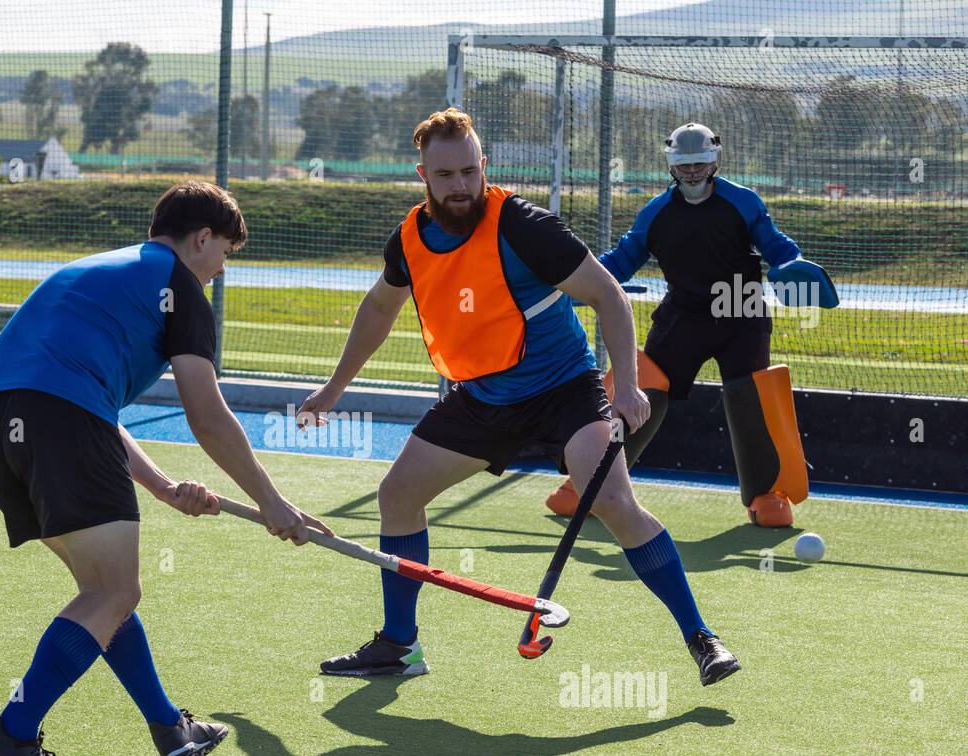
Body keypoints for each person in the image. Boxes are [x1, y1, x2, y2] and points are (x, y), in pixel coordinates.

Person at [297, 109, 739, 688]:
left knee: (610, 500)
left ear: (485, 167)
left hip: (564, 391)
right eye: (445, 175)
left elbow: (610, 298)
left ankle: (700, 638)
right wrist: (334, 389)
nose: (460, 186)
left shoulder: (524, 226)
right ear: (422, 175)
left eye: (469, 172)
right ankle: (399, 646)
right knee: (398, 493)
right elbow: (380, 307)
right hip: (481, 397)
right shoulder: (409, 239)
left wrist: (627, 386)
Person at [0, 180, 329, 756]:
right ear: (202, 238)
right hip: (59, 422)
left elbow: (88, 402)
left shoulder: (99, 270)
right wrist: (273, 502)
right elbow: (208, 416)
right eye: (225, 254)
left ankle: (169, 728)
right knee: (113, 591)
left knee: (103, 593)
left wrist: (160, 486)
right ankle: (13, 731)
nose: (220, 270)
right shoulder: (180, 288)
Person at [546, 122, 829, 528]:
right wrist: (577, 281)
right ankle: (588, 484)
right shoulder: (656, 213)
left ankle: (767, 494)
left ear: (714, 161)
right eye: (684, 165)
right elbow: (623, 260)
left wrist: (791, 265)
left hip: (742, 311)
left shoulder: (744, 202)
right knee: (641, 388)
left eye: (699, 163)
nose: (692, 172)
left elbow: (776, 246)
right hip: (683, 315)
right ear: (671, 166)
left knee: (752, 399)